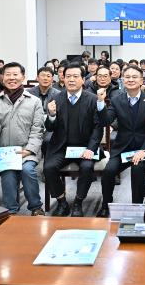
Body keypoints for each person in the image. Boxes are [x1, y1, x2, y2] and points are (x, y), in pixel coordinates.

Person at [96, 65, 145, 217]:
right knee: (109, 171)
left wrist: (144, 150)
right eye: (127, 77)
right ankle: (106, 204)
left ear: (141, 80)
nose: (130, 79)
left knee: (137, 169)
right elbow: (106, 120)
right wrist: (100, 102)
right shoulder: (116, 100)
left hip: (143, 148)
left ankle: (138, 207)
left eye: (134, 77)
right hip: (122, 148)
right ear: (123, 80)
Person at [0, 62, 45, 215]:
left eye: (15, 74)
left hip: (26, 150)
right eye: (8, 75)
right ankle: (10, 210)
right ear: (2, 78)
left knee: (28, 170)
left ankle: (36, 207)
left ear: (23, 77)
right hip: (4, 151)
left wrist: (29, 149)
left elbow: (38, 130)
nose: (12, 78)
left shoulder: (34, 101)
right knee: (8, 173)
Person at [43, 63, 104, 216]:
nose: (71, 80)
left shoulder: (92, 99)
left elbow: (98, 128)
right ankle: (62, 202)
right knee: (48, 168)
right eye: (68, 76)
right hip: (62, 147)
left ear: (83, 80)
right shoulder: (56, 98)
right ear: (63, 79)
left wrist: (91, 149)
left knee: (87, 168)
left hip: (85, 147)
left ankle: (78, 202)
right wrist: (51, 115)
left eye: (75, 76)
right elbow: (50, 128)